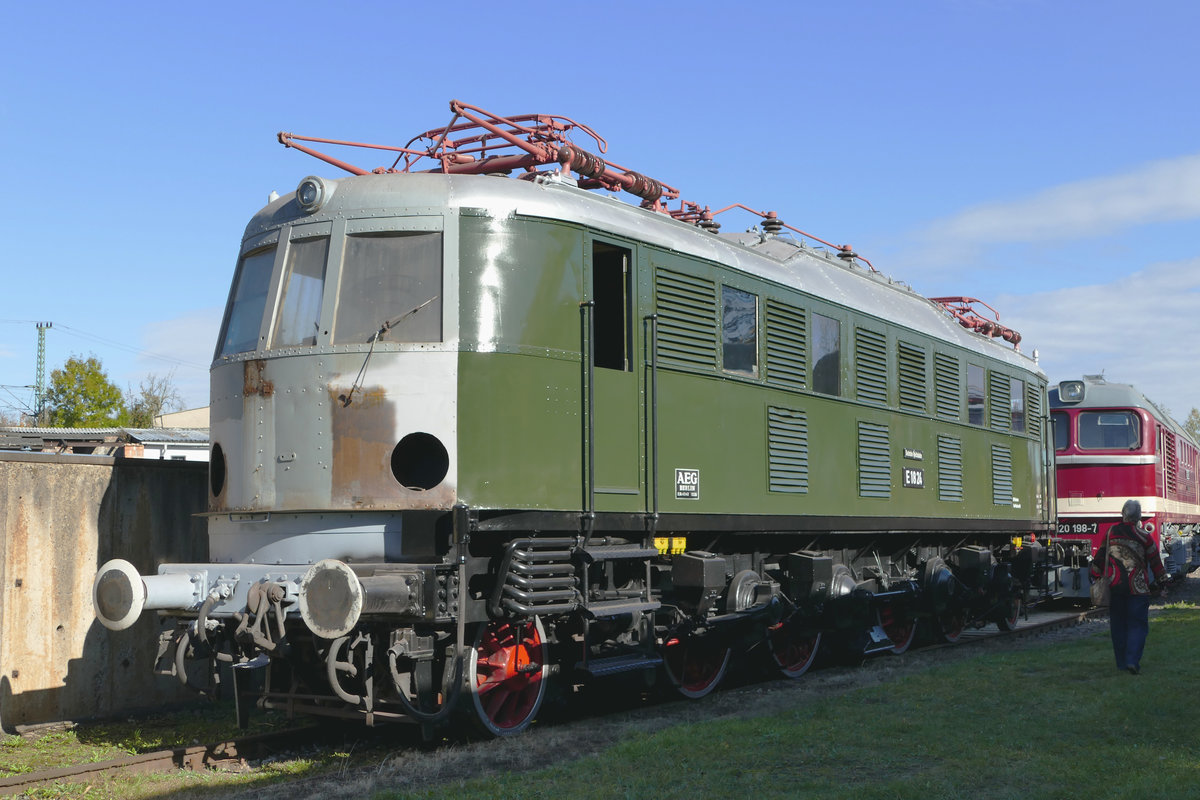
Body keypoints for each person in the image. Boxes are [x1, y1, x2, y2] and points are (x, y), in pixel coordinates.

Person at [1090, 499, 1167, 674]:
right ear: (1139, 517)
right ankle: (1132, 660)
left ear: (1122, 514)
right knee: (1137, 625)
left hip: (1115, 586)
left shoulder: (1111, 532)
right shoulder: (1144, 537)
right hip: (1137, 588)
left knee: (1118, 626)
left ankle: (1121, 663)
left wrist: (1095, 575)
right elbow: (1155, 561)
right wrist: (1163, 584)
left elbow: (1100, 556)